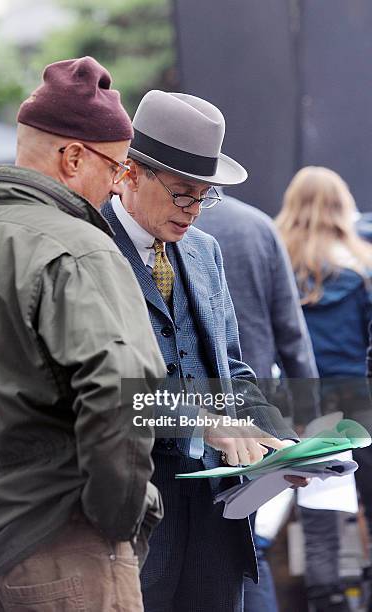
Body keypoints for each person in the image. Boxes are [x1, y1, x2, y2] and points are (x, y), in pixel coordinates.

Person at [0, 57, 167, 612]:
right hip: (67, 550)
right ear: (72, 158)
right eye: (115, 168)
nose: (117, 189)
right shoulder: (81, 247)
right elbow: (122, 394)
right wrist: (114, 527)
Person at [102, 90, 307, 612]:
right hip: (133, 516)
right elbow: (98, 390)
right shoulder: (88, 249)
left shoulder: (204, 250)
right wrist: (201, 419)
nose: (194, 211)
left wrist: (279, 441)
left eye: (205, 196)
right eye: (182, 194)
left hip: (218, 519)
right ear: (129, 173)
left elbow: (231, 366)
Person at [195, 194, 319, 612]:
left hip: (204, 410)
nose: (191, 206)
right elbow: (291, 333)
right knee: (246, 547)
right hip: (246, 413)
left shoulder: (185, 231)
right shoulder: (258, 226)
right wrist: (308, 423)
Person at [277, 165, 372, 612]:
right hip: (361, 401)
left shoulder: (277, 258)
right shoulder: (364, 264)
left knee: (319, 514)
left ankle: (325, 600)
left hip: (304, 399)